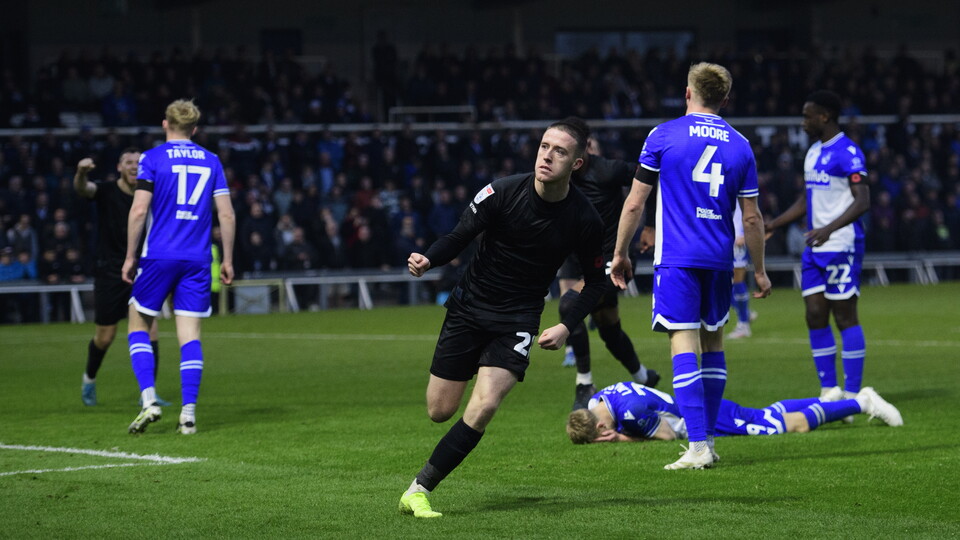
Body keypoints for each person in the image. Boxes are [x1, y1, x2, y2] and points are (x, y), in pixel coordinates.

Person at [399, 119, 606, 518]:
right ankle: (474, 365)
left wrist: (566, 326)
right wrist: (429, 258)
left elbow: (596, 284)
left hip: (517, 319)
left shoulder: (584, 219)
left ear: (577, 163)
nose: (547, 155)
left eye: (559, 151)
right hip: (469, 307)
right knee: (439, 410)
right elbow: (459, 236)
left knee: (486, 403)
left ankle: (419, 488)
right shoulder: (503, 191)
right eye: (544, 146)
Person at [610, 62, 772, 470]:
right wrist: (759, 270)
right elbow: (752, 219)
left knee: (683, 343)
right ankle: (710, 441)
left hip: (678, 259)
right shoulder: (740, 144)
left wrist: (620, 252)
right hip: (719, 259)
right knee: (714, 343)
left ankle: (698, 446)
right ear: (725, 99)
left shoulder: (663, 135)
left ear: (687, 93)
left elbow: (635, 201)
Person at [123, 99, 235, 435]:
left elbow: (139, 211)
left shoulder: (152, 158)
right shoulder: (212, 160)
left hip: (159, 254)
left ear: (165, 124)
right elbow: (226, 214)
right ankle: (188, 414)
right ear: (195, 129)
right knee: (190, 337)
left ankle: (149, 400)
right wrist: (227, 259)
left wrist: (130, 257)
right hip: (198, 259)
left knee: (138, 323)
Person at [765, 90, 871, 406]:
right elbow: (806, 198)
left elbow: (862, 200)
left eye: (807, 115)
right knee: (814, 314)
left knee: (844, 315)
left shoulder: (848, 152)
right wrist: (776, 223)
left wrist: (829, 229)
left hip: (841, 244)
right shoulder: (812, 152)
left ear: (824, 116)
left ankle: (852, 394)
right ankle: (829, 390)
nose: (803, 121)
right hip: (815, 246)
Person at [554, 123, 659, 410]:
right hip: (582, 260)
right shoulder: (557, 176)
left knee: (569, 305)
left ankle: (584, 384)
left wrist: (649, 225)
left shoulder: (609, 170)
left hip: (615, 258)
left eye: (565, 150)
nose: (559, 156)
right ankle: (643, 376)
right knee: (608, 329)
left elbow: (652, 176)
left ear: (584, 149)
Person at [74, 151, 166, 407]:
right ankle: (89, 379)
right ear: (119, 167)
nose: (134, 167)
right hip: (110, 271)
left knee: (151, 330)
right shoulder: (105, 191)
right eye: (129, 163)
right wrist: (81, 172)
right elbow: (83, 189)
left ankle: (148, 392)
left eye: (138, 163)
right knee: (105, 336)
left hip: (142, 270)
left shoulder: (150, 193)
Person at [566, 381, 902, 445]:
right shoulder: (602, 398)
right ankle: (833, 402)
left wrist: (621, 439)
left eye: (599, 435)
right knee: (765, 413)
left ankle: (862, 402)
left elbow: (666, 436)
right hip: (697, 405)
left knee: (787, 427)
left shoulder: (631, 412)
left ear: (600, 426)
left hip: (705, 416)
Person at [728, 203, 758, 339]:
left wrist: (744, 234)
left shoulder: (741, 185)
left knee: (737, 280)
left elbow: (750, 210)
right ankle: (745, 313)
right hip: (725, 238)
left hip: (737, 240)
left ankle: (743, 324)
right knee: (719, 285)